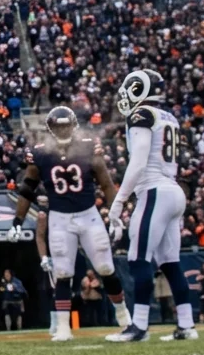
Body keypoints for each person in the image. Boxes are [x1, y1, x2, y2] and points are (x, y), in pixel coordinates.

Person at [15, 106, 132, 342]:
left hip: (88, 214)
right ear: (50, 128)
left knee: (105, 268)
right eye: (58, 126)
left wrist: (115, 213)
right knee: (62, 272)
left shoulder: (88, 145)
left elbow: (106, 183)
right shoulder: (40, 152)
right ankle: (62, 328)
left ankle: (125, 319)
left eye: (66, 125)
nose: (62, 129)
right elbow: (27, 188)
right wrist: (18, 220)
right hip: (59, 218)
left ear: (73, 125)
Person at [106, 70, 199, 342]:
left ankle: (139, 327)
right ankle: (186, 325)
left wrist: (119, 201)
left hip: (154, 190)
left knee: (138, 260)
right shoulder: (168, 116)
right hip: (173, 190)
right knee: (171, 263)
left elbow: (138, 162)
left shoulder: (142, 115)